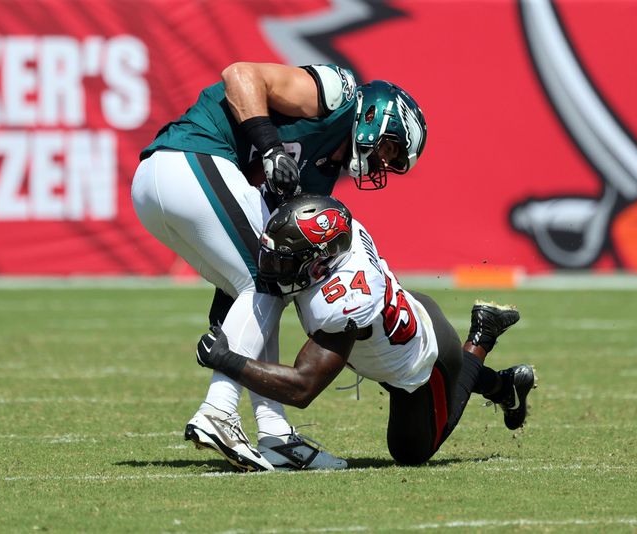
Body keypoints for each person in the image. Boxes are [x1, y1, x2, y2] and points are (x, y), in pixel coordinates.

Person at [131, 62, 427, 472]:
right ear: (376, 118)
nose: (382, 163)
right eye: (390, 149)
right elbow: (239, 75)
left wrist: (230, 296)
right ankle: (219, 410)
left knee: (270, 283)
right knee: (266, 283)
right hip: (187, 158)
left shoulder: (320, 176)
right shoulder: (337, 95)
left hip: (170, 185)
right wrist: (270, 146)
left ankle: (275, 436)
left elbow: (267, 239)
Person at [195, 194, 537, 467]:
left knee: (411, 453)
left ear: (319, 260)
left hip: (424, 364)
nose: (270, 268)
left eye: (281, 261)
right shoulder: (340, 237)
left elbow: (302, 388)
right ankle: (505, 386)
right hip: (399, 322)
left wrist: (226, 360)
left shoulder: (343, 302)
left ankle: (482, 336)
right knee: (383, 358)